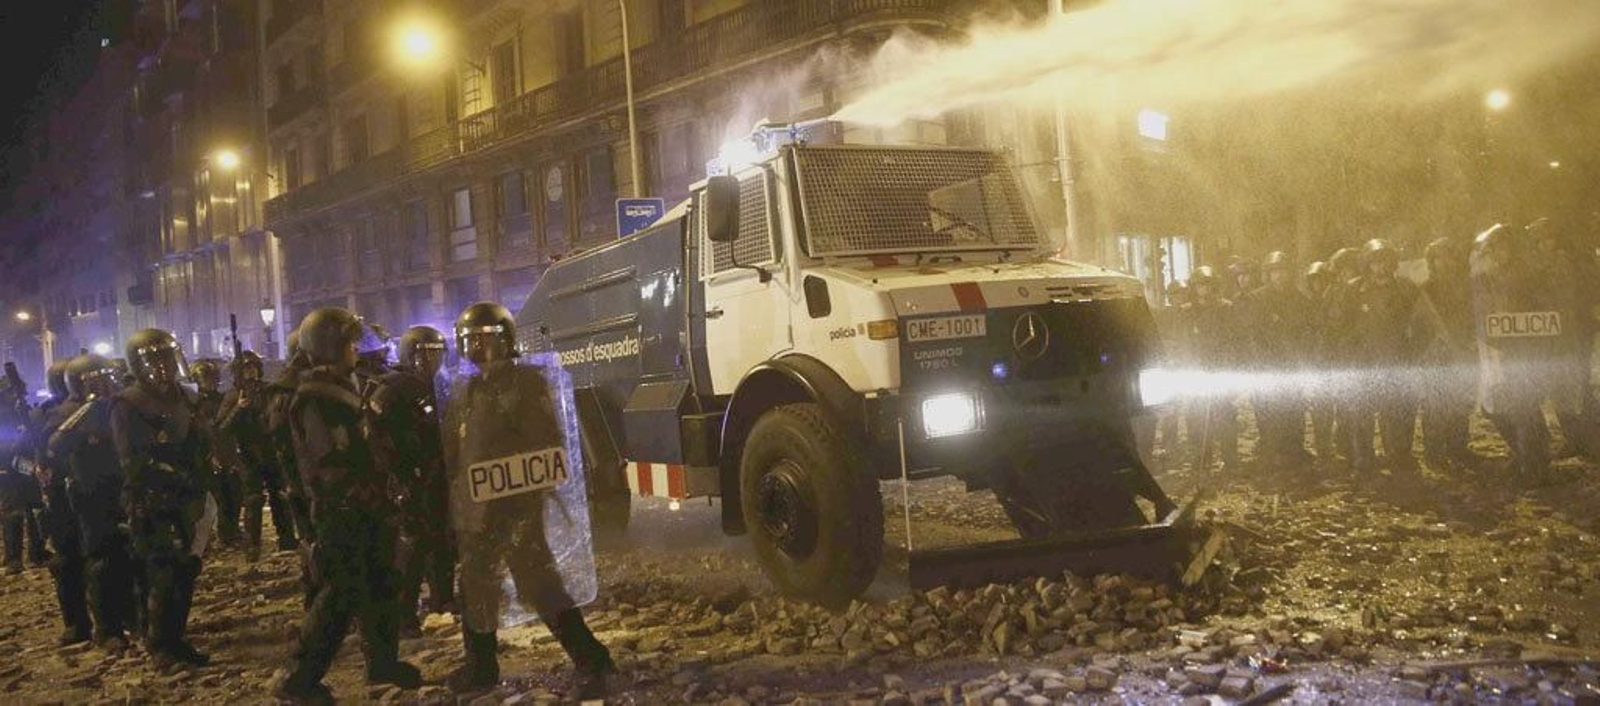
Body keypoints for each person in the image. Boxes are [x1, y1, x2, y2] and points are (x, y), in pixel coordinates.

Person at [270, 308, 421, 702]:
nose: (356, 350)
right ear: (331, 347)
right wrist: (368, 493)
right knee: (338, 596)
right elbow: (330, 463)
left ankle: (383, 663)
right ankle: (298, 679)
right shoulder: (313, 398)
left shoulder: (342, 385)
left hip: (367, 506)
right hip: (342, 510)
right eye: (350, 343)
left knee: (381, 584)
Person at [111, 329, 210, 667]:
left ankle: (176, 639)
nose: (164, 365)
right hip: (151, 498)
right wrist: (173, 476)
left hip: (187, 496)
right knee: (160, 574)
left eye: (167, 356)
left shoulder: (186, 397)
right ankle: (159, 645)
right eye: (154, 359)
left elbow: (198, 443)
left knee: (186, 571)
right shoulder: (128, 403)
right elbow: (133, 458)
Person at [368, 325, 456, 636]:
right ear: (410, 355)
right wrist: (399, 475)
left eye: (437, 354)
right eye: (426, 354)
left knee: (442, 539)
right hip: (410, 477)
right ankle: (404, 615)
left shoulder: (439, 385)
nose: (432, 361)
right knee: (412, 547)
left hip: (437, 473)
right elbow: (378, 438)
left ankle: (443, 598)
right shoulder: (392, 388)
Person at [49, 354, 138, 650]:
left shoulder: (117, 405)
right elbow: (55, 448)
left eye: (104, 376)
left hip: (121, 488)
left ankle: (132, 617)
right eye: (94, 378)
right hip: (88, 494)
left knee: (128, 557)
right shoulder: (67, 413)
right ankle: (106, 628)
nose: (102, 383)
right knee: (100, 561)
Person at [1341, 239, 1425, 475]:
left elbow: (1421, 322)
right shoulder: (1353, 290)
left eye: (1386, 261)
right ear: (1367, 265)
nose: (1381, 267)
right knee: (1362, 412)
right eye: (1376, 262)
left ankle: (1398, 456)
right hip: (1363, 361)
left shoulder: (1406, 288)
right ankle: (1364, 459)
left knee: (1398, 411)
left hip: (1396, 359)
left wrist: (1411, 352)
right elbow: (1341, 326)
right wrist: (1351, 354)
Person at [33, 359, 92, 645]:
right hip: (63, 498)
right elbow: (29, 457)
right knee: (68, 563)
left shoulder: (97, 408)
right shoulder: (50, 417)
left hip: (94, 491)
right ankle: (77, 624)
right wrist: (42, 472)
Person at [220, 350, 298, 561]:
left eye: (253, 367)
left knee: (280, 497)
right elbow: (222, 428)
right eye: (246, 368)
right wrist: (238, 409)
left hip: (270, 449)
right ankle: (252, 546)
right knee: (253, 500)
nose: (251, 371)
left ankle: (287, 540)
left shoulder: (268, 391)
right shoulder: (233, 396)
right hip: (248, 454)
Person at [1245, 251, 1317, 468]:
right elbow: (1253, 333)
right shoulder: (1257, 299)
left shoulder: (1300, 300)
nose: (1279, 276)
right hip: (1265, 362)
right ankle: (1271, 448)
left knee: (1294, 405)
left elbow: (1306, 332)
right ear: (1268, 274)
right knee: (1267, 407)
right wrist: (1259, 361)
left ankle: (1294, 447)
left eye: (1283, 271)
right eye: (1275, 272)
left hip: (1291, 363)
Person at [1417, 237, 1481, 471]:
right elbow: (1419, 323)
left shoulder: (1467, 287)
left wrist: (1470, 341)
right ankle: (1434, 452)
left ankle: (1457, 448)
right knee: (1435, 403)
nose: (1443, 262)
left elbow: (1475, 315)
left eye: (1447, 257)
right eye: (1437, 258)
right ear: (1431, 261)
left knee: (1460, 400)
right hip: (1435, 353)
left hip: (1462, 350)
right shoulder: (1426, 289)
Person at [1181, 268, 1242, 471]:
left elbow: (1234, 340)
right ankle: (1202, 458)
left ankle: (1230, 457)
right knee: (1196, 416)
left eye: (1206, 284)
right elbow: (1184, 343)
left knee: (1225, 415)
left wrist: (1229, 365)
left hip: (1220, 368)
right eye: (1199, 285)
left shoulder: (1226, 308)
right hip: (1196, 370)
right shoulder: (1187, 311)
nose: (1203, 289)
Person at [192, 360, 243, 548]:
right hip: (209, 453)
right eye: (206, 378)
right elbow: (205, 430)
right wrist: (210, 455)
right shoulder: (195, 403)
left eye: (212, 378)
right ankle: (224, 533)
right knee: (220, 495)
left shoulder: (221, 398)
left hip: (227, 449)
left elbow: (225, 426)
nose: (210, 382)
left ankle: (232, 530)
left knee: (235, 492)